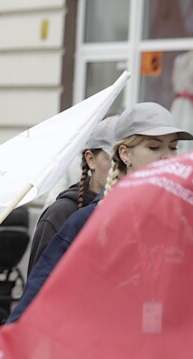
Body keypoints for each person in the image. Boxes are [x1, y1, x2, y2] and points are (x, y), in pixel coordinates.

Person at [8, 102, 193, 323]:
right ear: (125, 154)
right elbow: (37, 301)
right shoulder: (84, 221)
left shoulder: (185, 221)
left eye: (173, 147)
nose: (167, 157)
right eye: (154, 147)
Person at [26, 116, 118, 274]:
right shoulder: (60, 214)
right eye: (114, 159)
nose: (122, 168)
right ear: (91, 159)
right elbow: (38, 287)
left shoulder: (137, 213)